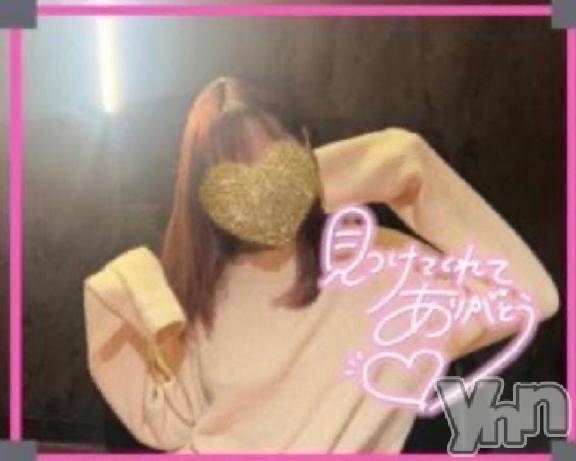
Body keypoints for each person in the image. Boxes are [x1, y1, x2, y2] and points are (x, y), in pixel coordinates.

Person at [83, 76, 559, 453]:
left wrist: (399, 164)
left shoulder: (382, 265)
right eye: (233, 171)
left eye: (273, 157)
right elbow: (171, 425)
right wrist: (118, 301)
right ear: (205, 193)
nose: (258, 185)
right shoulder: (203, 289)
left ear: (305, 145)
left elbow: (529, 297)